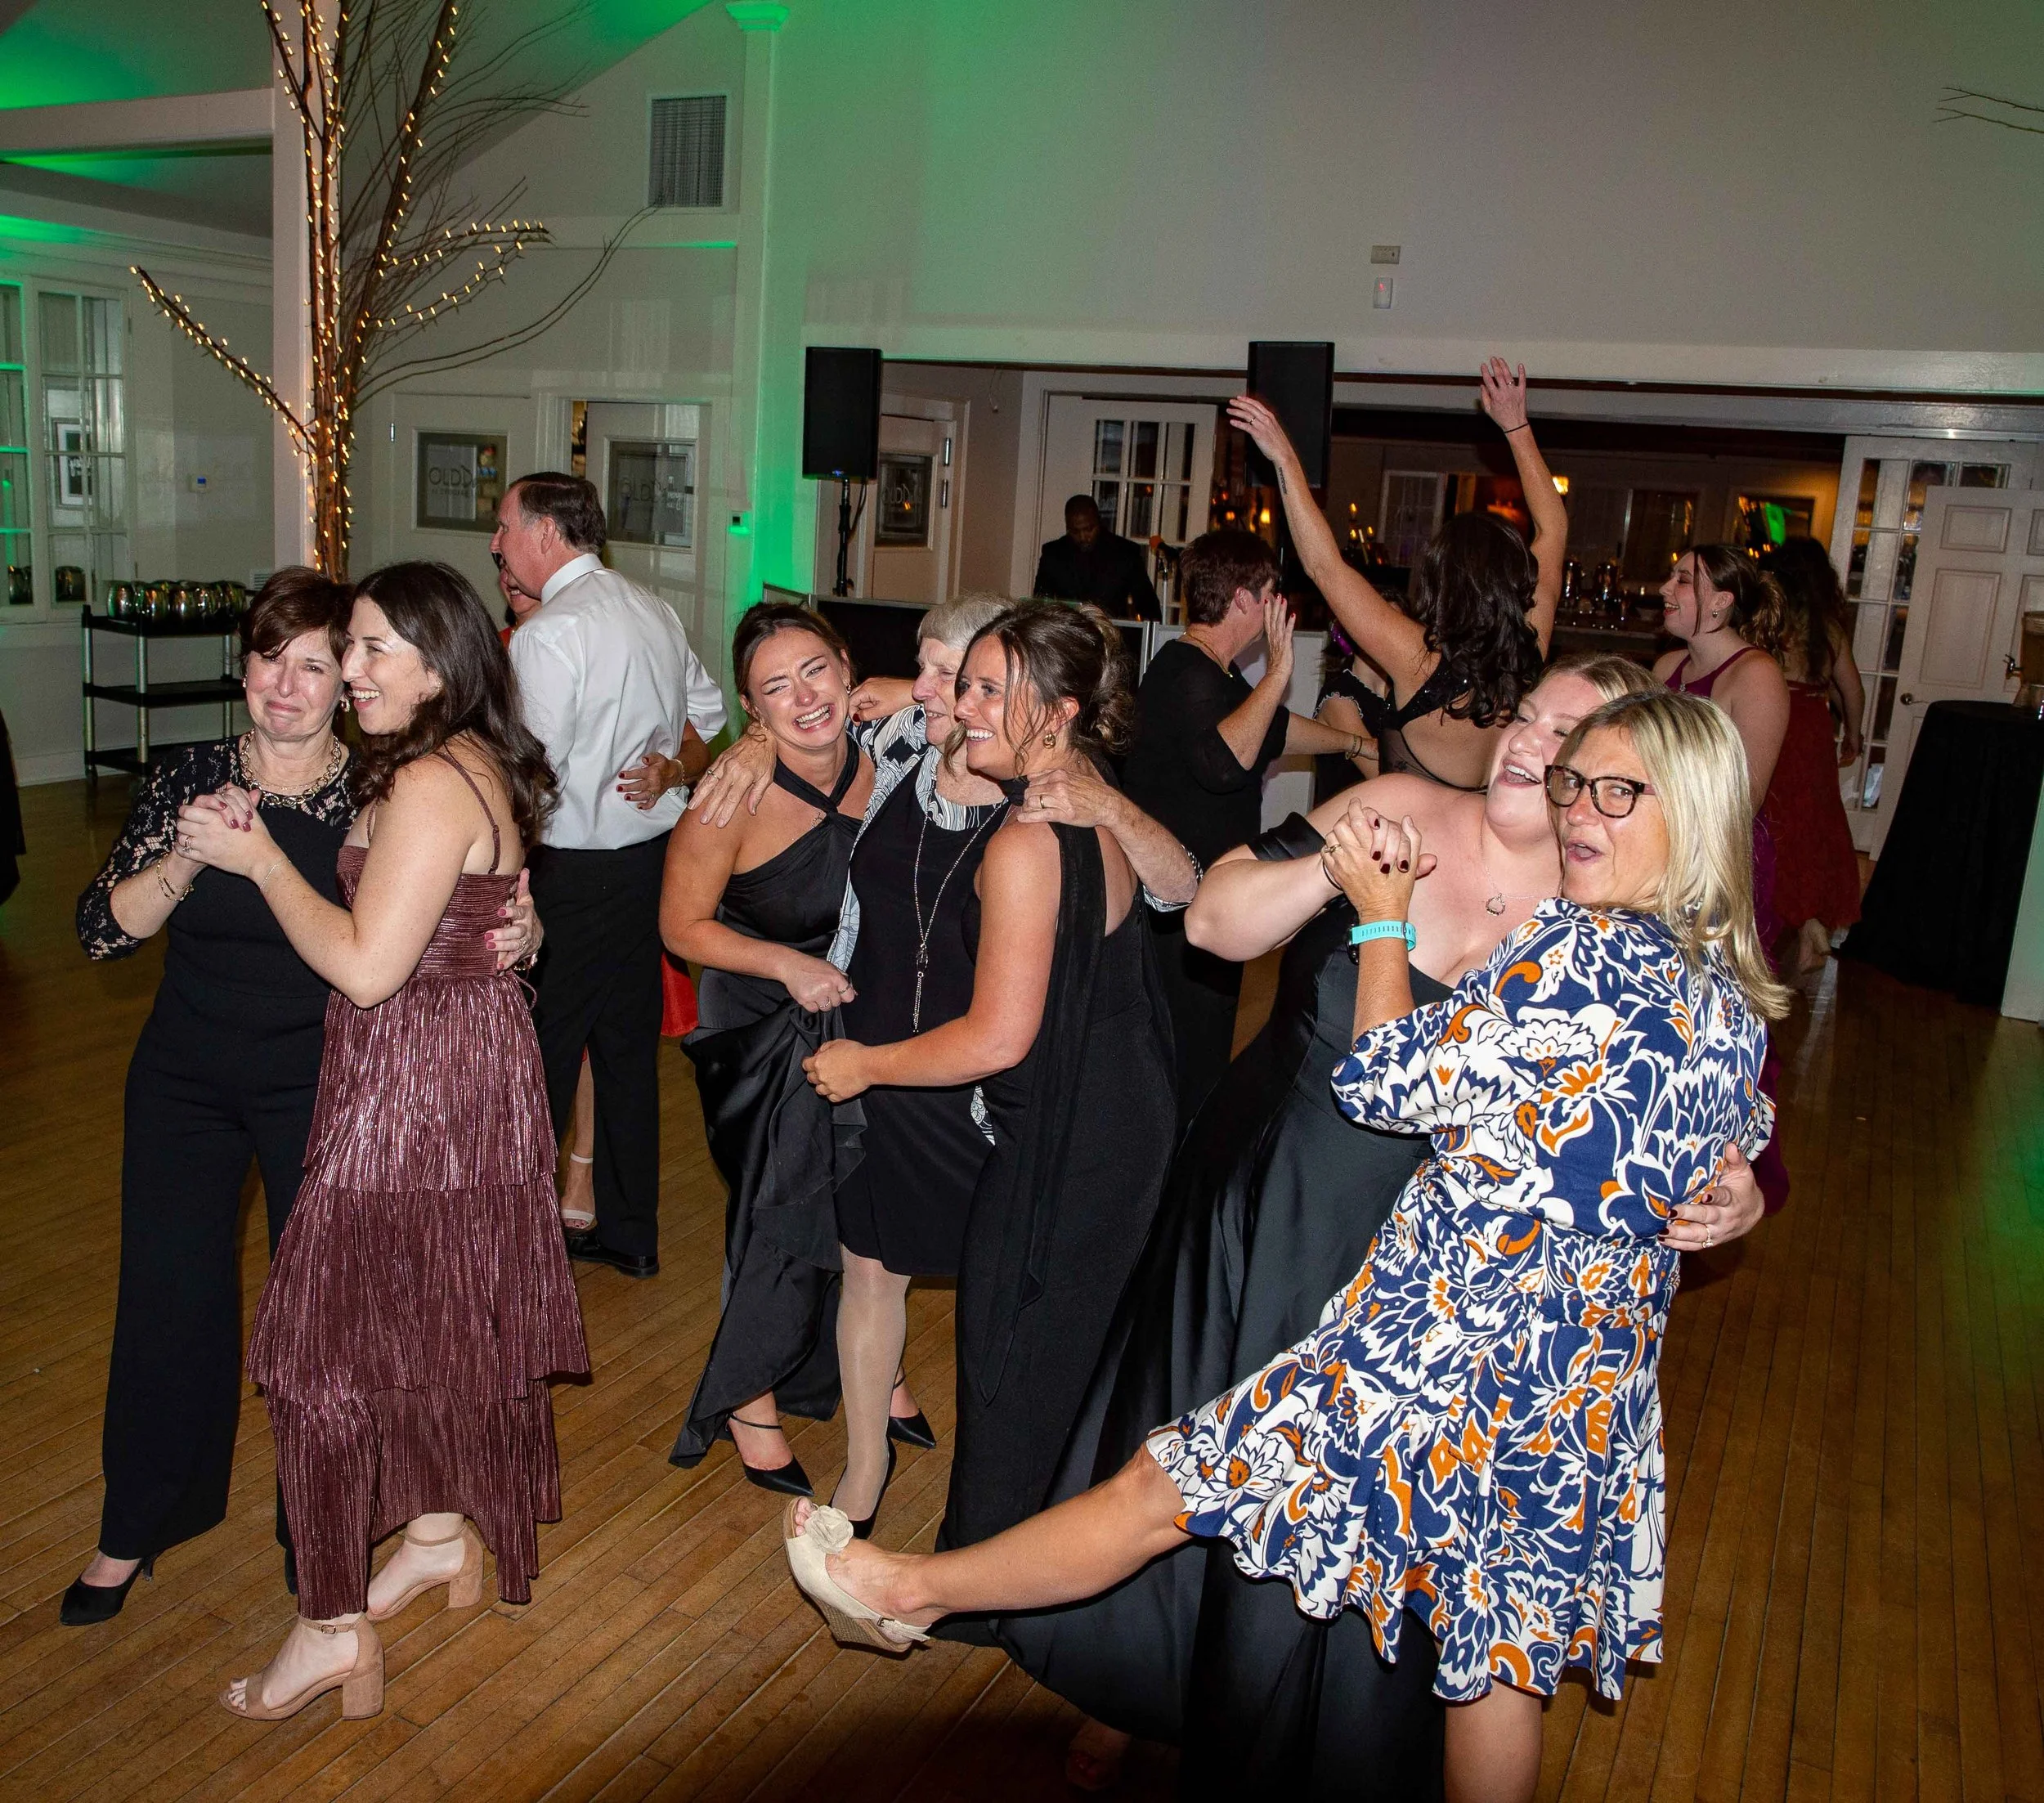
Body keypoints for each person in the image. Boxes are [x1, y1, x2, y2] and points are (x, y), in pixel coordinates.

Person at [787, 687, 1786, 1803]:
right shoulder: (1727, 993)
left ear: (1688, 813)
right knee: (1497, 1666)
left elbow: (1389, 1078)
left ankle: (904, 1590)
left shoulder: (1577, 956)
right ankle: (965, 1616)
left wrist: (1385, 919)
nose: (1577, 801)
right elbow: (1734, 1124)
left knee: (1163, 1488)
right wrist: (1728, 1182)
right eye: (1569, 778)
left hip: (1435, 1351)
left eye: (1613, 787)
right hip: (1570, 1398)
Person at [61, 570, 540, 1630]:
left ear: (343, 687)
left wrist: (522, 924)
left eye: (319, 663)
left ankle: (313, 1530)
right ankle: (141, 1518)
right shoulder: (189, 771)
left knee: (322, 1325)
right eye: (270, 656)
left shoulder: (369, 783)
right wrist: (191, 856)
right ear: (243, 665)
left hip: (318, 1080)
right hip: (185, 1073)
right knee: (167, 1299)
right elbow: (103, 928)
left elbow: (458, 882)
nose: (289, 682)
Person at [173, 561, 587, 1722]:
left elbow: (365, 965)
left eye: (370, 652)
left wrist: (256, 859)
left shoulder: (427, 786)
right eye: (345, 648)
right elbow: (475, 903)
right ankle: (445, 1536)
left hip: (415, 1089)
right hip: (466, 1072)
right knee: (437, 1312)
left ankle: (330, 1623)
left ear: (443, 666)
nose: (350, 671)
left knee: (317, 1352)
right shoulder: (454, 764)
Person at [688, 597, 1199, 1536]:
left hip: (972, 1069)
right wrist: (753, 743)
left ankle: (1007, 1497)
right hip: (874, 1031)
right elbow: (825, 708)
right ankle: (868, 1465)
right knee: (869, 1263)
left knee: (1003, 1281)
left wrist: (1115, 803)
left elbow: (1180, 892)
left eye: (955, 677)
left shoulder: (1048, 788)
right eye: (926, 673)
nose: (930, 693)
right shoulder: (896, 751)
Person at [661, 603, 875, 1495]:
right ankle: (747, 1399)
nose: (804, 698)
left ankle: (867, 1370)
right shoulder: (731, 799)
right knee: (774, 1200)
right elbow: (680, 928)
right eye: (775, 689)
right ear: (753, 710)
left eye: (815, 672)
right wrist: (787, 964)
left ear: (845, 669)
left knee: (860, 1195)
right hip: (754, 1020)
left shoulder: (892, 761)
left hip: (853, 1009)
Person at [495, 473, 725, 1278]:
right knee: (625, 1054)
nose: (497, 543)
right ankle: (630, 1232)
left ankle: (521, 1248)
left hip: (571, 873)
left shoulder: (547, 633)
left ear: (546, 532)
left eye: (505, 527)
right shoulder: (650, 608)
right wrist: (674, 770)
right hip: (649, 869)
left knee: (542, 1054)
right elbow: (711, 714)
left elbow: (528, 774)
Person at [1119, 528, 1372, 1124]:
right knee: (1182, 1069)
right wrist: (1279, 669)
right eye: (1268, 594)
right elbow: (1224, 761)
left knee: (1199, 1059)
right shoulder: (1184, 671)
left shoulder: (1215, 674)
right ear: (1241, 599)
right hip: (1174, 914)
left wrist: (1359, 744)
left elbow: (1274, 731)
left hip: (1199, 902)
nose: (1275, 607)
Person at [1228, 357, 1566, 792]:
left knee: (1238, 864)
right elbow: (1554, 529)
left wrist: (1284, 457)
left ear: (1443, 585)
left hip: (1404, 851)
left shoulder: (1421, 662)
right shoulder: (1530, 647)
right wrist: (1516, 426)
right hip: (1478, 846)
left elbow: (1323, 566)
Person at [1655, 545, 1794, 1212]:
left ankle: (1729, 1154)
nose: (1665, 588)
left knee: (1720, 1007)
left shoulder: (1756, 676)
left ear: (1721, 600)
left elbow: (1748, 794)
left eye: (1683, 579)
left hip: (1723, 867)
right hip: (1660, 859)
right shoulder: (1663, 669)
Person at [1760, 537, 1866, 973]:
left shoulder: (1769, 622)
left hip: (1774, 717)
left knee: (1773, 820)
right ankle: (1810, 925)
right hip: (1813, 728)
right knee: (1814, 825)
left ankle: (1784, 918)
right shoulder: (1829, 627)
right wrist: (1854, 736)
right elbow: (1852, 691)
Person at [1033, 494, 1160, 621]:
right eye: (1075, 532)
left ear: (1098, 522)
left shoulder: (1125, 552)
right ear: (1067, 527)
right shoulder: (1053, 554)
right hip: (1067, 634)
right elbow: (1039, 603)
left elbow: (1148, 605)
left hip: (1111, 634)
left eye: (1089, 529)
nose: (1083, 537)